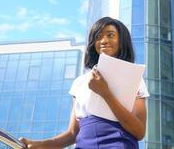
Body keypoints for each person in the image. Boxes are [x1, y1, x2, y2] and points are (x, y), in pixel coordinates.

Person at [20, 17, 150, 149]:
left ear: (121, 42)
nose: (104, 41)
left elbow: (139, 132)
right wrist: (38, 144)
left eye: (111, 35)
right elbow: (72, 133)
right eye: (98, 37)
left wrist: (106, 94)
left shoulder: (134, 78)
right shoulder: (80, 82)